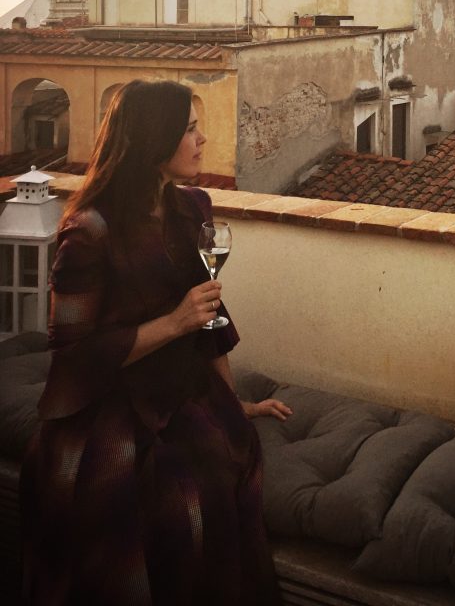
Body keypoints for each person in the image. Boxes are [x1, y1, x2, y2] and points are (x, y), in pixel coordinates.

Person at [21, 80, 290, 605]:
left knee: (232, 453)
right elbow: (73, 357)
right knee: (172, 493)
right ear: (154, 138)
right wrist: (173, 323)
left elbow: (210, 319)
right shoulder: (89, 231)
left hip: (177, 388)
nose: (202, 140)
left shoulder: (192, 207)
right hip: (108, 404)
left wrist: (235, 403)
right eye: (189, 129)